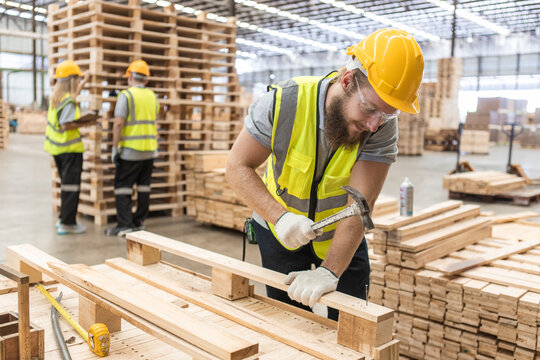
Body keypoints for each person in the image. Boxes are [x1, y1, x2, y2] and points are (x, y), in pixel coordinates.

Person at [226, 28, 424, 320]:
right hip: (281, 231)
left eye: (387, 114)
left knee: (350, 324)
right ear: (346, 81)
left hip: (340, 235)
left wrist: (330, 271)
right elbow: (237, 167)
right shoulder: (284, 103)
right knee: (286, 321)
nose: (373, 125)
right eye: (369, 109)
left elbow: (359, 205)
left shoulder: (381, 125)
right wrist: (279, 218)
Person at [105, 60, 158, 236]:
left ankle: (125, 225)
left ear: (130, 76)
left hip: (130, 151)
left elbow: (119, 123)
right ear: (146, 80)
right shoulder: (153, 96)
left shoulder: (126, 96)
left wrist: (114, 148)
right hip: (149, 150)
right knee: (144, 187)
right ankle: (139, 222)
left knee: (123, 187)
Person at [44, 60, 95, 235]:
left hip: (58, 150)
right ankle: (68, 223)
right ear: (71, 80)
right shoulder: (68, 103)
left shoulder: (57, 98)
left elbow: (71, 97)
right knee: (71, 187)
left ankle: (63, 219)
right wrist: (86, 122)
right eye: (77, 79)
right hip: (70, 151)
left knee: (66, 186)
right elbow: (66, 124)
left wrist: (84, 82)